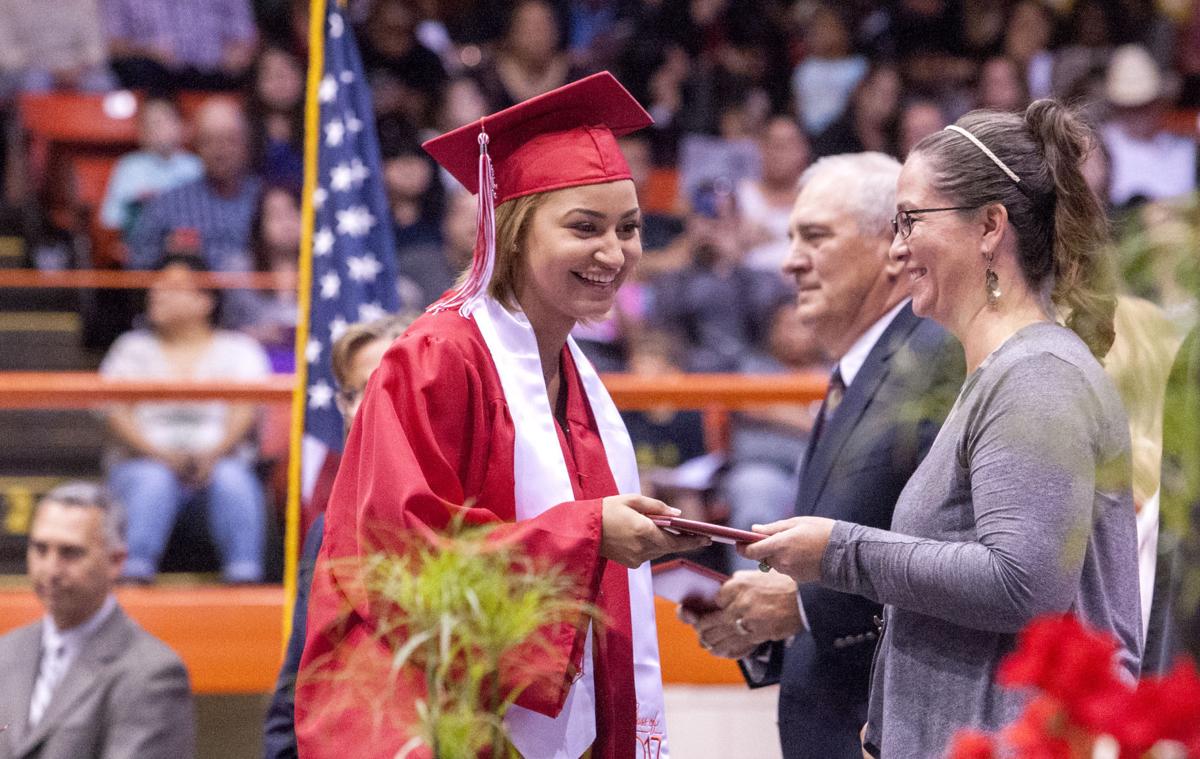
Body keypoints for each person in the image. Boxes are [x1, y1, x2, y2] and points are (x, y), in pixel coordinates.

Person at [295, 72, 708, 759]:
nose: (614, 252)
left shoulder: (574, 372)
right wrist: (588, 532)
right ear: (511, 231)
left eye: (629, 228)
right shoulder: (435, 358)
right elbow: (401, 563)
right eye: (584, 226)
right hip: (436, 717)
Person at [744, 101, 1143, 758]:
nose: (897, 248)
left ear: (989, 227)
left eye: (910, 221)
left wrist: (840, 551)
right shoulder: (999, 372)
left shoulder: (1036, 373)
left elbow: (1023, 582)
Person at [680, 152, 963, 758]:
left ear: (893, 245)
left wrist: (801, 606)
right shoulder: (859, 370)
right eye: (788, 238)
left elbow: (959, 556)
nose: (789, 261)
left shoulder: (934, 359)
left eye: (815, 236)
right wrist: (764, 625)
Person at [263, 314, 413, 759]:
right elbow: (298, 684)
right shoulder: (324, 530)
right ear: (344, 406)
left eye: (393, 383)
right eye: (361, 389)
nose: (376, 402)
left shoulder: (473, 513)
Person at [101, 254, 271, 583]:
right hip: (143, 463)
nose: (156, 293)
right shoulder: (130, 348)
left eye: (172, 287)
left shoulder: (239, 349)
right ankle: (133, 576)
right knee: (153, 481)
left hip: (218, 463)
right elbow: (116, 412)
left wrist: (213, 454)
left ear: (205, 300)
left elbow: (244, 409)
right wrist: (162, 457)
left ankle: (245, 578)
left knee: (233, 480)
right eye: (156, 286)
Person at [0, 482, 194, 759]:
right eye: (40, 549)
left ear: (116, 561)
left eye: (70, 553)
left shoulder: (153, 673)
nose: (50, 569)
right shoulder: (6, 652)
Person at [126, 99, 262, 274]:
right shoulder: (166, 204)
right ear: (195, 145)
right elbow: (136, 267)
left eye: (230, 140)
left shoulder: (269, 201)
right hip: (187, 298)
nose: (220, 151)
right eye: (209, 141)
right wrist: (166, 255)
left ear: (247, 143)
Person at [102, 0, 258, 92]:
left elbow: (245, 36)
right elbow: (113, 46)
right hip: (154, 80)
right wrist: (147, 51)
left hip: (216, 75)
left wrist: (238, 53)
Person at [99, 98, 203, 233]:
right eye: (151, 124)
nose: (158, 130)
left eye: (164, 121)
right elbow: (110, 218)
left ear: (181, 126)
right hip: (141, 241)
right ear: (141, 132)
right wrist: (137, 205)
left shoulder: (195, 167)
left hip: (188, 242)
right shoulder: (129, 166)